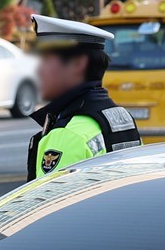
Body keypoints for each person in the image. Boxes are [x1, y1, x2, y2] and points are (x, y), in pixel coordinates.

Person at [26, 14, 142, 180]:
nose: (37, 71)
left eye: (45, 61)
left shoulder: (67, 134)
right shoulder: (123, 117)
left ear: (77, 64)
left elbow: (53, 204)